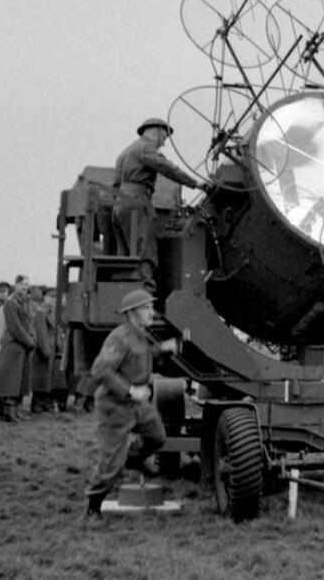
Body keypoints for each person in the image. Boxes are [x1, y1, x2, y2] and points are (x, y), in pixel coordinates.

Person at [84, 289, 178, 523]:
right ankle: (92, 509)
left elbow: (139, 357)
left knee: (157, 437)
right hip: (115, 406)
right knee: (111, 465)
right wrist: (130, 390)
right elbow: (100, 370)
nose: (151, 312)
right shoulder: (120, 337)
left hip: (137, 405)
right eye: (146, 308)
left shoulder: (141, 335)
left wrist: (161, 349)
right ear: (132, 313)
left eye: (150, 307)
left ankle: (134, 459)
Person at [112, 117, 206, 291]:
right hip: (137, 201)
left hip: (120, 203)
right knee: (145, 246)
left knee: (126, 252)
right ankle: (146, 290)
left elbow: (116, 183)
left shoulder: (126, 152)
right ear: (156, 133)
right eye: (164, 138)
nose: (163, 143)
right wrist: (195, 183)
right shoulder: (146, 148)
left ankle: (126, 289)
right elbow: (167, 168)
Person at [0, 275, 36, 422]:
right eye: (22, 284)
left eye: (26, 284)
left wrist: (30, 338)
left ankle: (16, 411)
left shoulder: (26, 302)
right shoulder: (11, 303)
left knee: (21, 381)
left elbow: (29, 322)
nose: (24, 287)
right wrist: (29, 341)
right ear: (16, 285)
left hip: (23, 346)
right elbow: (14, 327)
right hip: (14, 346)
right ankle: (9, 412)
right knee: (12, 381)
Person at [31, 288, 58, 413]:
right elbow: (41, 333)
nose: (53, 299)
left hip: (50, 348)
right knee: (40, 379)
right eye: (51, 297)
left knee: (46, 379)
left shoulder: (51, 312)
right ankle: (37, 403)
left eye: (55, 297)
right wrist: (46, 350)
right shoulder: (41, 312)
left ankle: (43, 403)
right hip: (42, 349)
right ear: (45, 297)